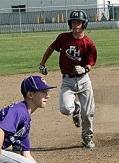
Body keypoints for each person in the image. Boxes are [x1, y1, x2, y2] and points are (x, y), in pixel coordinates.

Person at [39, 10, 97, 149]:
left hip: (83, 80)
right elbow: (51, 48)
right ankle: (75, 107)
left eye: (78, 22)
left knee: (88, 112)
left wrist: (85, 69)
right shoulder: (63, 38)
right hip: (67, 81)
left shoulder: (88, 43)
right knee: (65, 109)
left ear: (84, 24)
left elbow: (91, 62)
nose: (75, 25)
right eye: (73, 22)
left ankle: (87, 137)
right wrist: (43, 63)